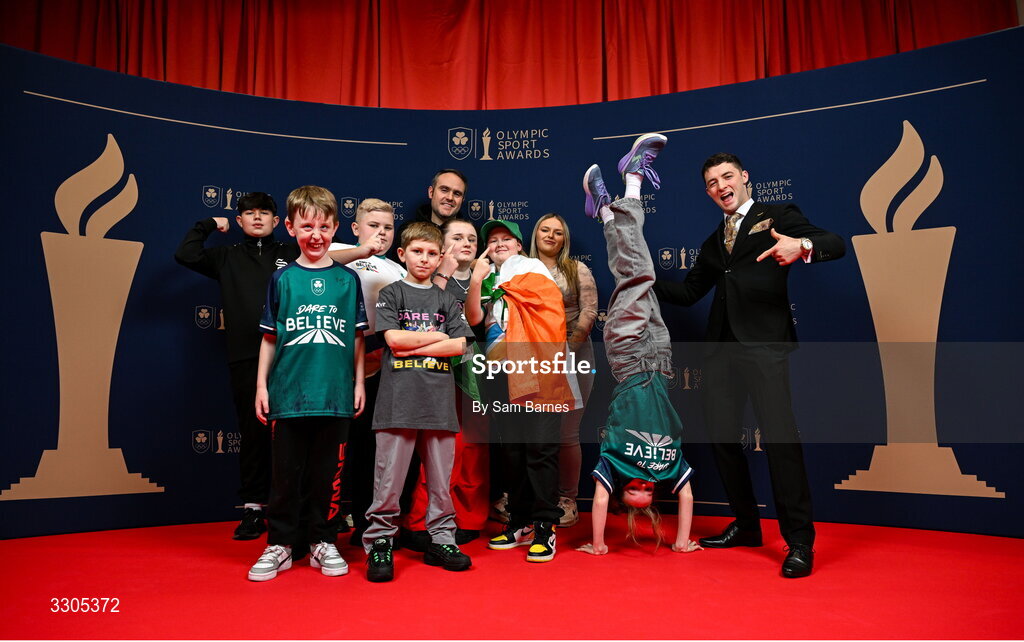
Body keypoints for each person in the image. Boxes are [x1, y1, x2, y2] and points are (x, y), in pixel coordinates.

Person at [652, 142, 846, 578]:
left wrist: (803, 246)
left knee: (780, 439)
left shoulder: (777, 216)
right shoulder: (711, 242)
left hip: (764, 347)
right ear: (708, 193)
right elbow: (687, 293)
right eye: (711, 184)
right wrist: (643, 280)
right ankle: (746, 524)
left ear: (744, 178)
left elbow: (836, 243)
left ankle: (799, 542)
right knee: (721, 437)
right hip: (720, 349)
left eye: (726, 177)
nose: (721, 186)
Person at [574, 149, 700, 556]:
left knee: (639, 274)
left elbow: (597, 500)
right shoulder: (669, 468)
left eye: (635, 490)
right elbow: (686, 497)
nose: (643, 482)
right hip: (661, 358)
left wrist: (598, 544)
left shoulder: (615, 463)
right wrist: (680, 541)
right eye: (648, 489)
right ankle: (606, 214)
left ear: (623, 490)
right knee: (636, 273)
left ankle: (632, 182)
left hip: (628, 357)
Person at [247, 186, 367, 582]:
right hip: (287, 397)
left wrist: (358, 384)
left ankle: (322, 540)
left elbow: (356, 337)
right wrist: (262, 386)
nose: (316, 235)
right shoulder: (282, 279)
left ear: (335, 228)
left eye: (324, 226)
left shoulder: (348, 280)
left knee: (327, 477)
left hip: (334, 396)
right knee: (284, 477)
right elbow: (269, 338)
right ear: (290, 227)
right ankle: (279, 544)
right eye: (306, 226)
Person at [174, 191, 299, 540]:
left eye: (264, 213)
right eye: (249, 213)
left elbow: (334, 256)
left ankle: (297, 507)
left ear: (277, 222)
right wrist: (209, 224)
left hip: (293, 356)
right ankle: (254, 509)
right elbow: (185, 253)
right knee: (254, 434)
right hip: (245, 355)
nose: (256, 218)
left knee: (298, 435)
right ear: (240, 220)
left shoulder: (291, 253)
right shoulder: (226, 257)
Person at [363, 222, 477, 582]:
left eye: (431, 253)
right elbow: (393, 340)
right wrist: (437, 336)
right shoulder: (392, 292)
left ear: (440, 257)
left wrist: (430, 340)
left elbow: (460, 345)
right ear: (403, 254)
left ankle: (441, 539)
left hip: (438, 403)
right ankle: (380, 539)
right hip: (397, 401)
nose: (424, 259)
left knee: (441, 484)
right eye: (417, 251)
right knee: (388, 482)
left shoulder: (446, 299)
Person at [469, 219, 580, 563]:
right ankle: (519, 521)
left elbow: (549, 309)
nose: (499, 243)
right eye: (493, 240)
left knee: (540, 449)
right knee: (511, 451)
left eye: (507, 239)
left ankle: (545, 526)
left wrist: (506, 288)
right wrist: (477, 280)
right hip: (499, 372)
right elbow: (473, 319)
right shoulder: (486, 278)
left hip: (536, 372)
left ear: (519, 245)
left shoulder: (531, 268)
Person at [401, 219, 490, 548]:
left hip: (478, 370)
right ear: (441, 247)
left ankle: (468, 517)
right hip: (439, 371)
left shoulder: (491, 277)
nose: (466, 242)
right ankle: (421, 520)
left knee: (474, 450)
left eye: (471, 238)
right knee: (441, 448)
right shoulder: (430, 276)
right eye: (457, 237)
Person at [326, 199, 406, 542]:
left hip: (379, 364)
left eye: (387, 227)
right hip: (334, 364)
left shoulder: (398, 270)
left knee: (370, 450)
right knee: (331, 448)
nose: (381, 233)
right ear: (356, 227)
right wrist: (362, 251)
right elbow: (313, 262)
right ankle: (324, 523)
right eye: (374, 225)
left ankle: (364, 521)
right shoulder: (336, 250)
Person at [529, 214, 598, 527]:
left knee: (567, 432)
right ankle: (527, 496)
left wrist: (566, 350)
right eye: (545, 230)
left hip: (574, 356)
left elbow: (589, 312)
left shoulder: (576, 269)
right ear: (536, 234)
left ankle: (567, 498)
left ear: (564, 239)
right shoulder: (519, 266)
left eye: (558, 232)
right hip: (528, 359)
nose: (551, 236)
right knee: (528, 434)